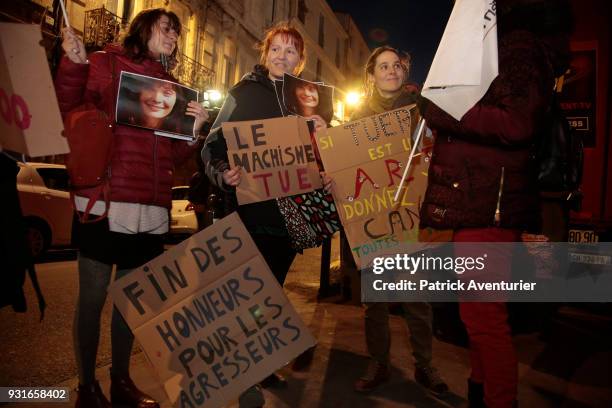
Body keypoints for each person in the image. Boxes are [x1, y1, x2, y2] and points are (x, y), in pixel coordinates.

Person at [417, 1, 573, 406]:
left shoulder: (518, 47)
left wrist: (445, 110)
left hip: (490, 204)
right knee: (478, 316)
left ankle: (497, 399)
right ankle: (480, 392)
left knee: (485, 320)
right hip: (481, 201)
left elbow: (515, 123)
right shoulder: (503, 44)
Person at [55, 8, 208, 408]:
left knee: (131, 301)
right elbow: (68, 103)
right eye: (166, 29)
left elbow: (175, 156)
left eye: (177, 33)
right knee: (92, 297)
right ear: (143, 29)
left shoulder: (174, 87)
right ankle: (87, 388)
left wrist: (194, 128)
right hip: (104, 203)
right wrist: (72, 63)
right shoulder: (106, 63)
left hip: (151, 209)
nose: (173, 37)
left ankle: (121, 381)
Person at [201, 22, 327, 408]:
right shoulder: (242, 93)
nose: (282, 56)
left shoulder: (309, 100)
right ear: (265, 52)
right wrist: (224, 174)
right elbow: (211, 145)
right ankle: (247, 375)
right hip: (251, 212)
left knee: (271, 292)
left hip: (290, 218)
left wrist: (326, 133)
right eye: (276, 48)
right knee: (252, 293)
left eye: (291, 51)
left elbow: (324, 158)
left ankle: (262, 362)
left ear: (300, 59)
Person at [330, 46, 448, 396]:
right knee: (375, 303)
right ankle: (378, 362)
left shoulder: (421, 111)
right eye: (383, 66)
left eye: (396, 65)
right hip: (373, 220)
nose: (392, 71)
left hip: (410, 218)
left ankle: (425, 364)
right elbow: (346, 169)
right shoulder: (355, 119)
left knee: (417, 298)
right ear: (371, 76)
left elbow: (433, 154)